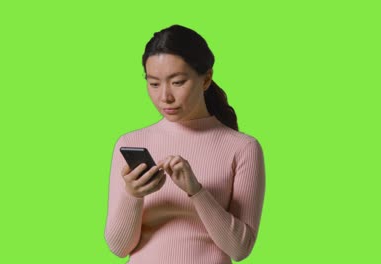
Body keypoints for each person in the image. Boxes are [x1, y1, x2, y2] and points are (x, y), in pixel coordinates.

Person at [104, 24, 265, 264]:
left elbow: (240, 249)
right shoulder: (130, 142)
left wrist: (196, 191)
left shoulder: (243, 148)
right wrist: (133, 195)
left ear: (206, 79)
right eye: (154, 83)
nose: (165, 97)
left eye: (178, 82)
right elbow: (118, 248)